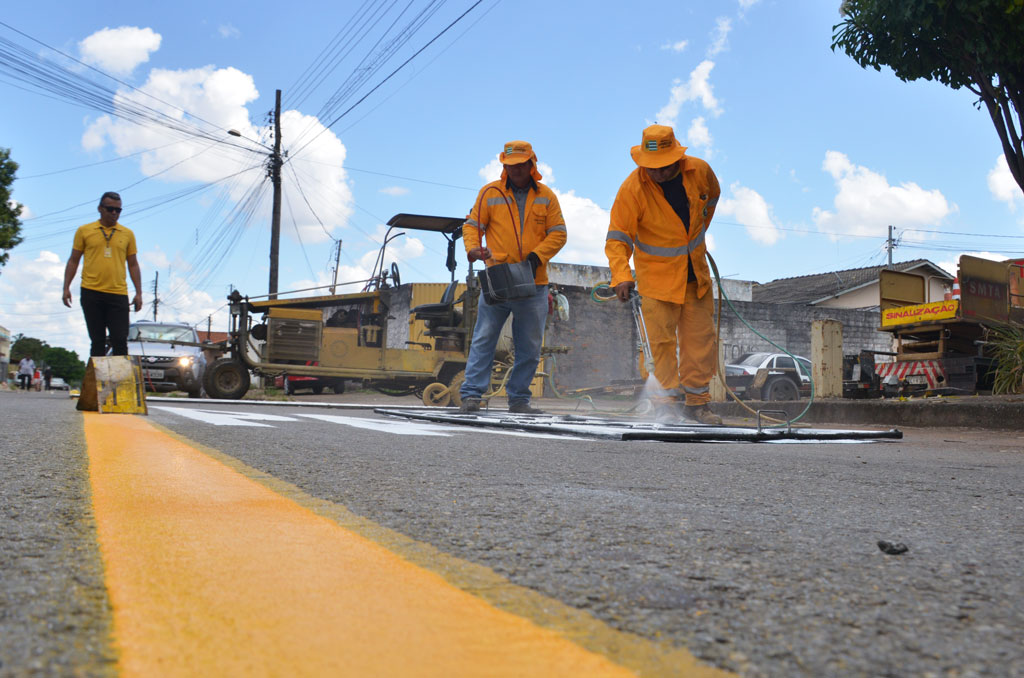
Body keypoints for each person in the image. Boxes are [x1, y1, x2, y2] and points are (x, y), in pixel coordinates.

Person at [605, 124, 723, 425]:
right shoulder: (632, 189)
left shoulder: (700, 171)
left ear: (677, 158)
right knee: (659, 346)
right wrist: (621, 275)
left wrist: (694, 238)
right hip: (656, 283)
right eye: (651, 167)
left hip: (695, 278)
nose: (656, 172)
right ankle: (664, 405)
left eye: (663, 166)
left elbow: (711, 200)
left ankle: (697, 405)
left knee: (700, 343)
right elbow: (618, 238)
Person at [459, 141, 567, 414]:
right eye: (511, 165)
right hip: (499, 278)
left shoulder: (547, 196)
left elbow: (559, 233)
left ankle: (519, 399)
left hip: (534, 281)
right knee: (484, 337)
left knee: (529, 345)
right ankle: (471, 396)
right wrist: (472, 248)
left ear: (532, 164)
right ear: (504, 166)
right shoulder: (490, 193)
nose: (517, 169)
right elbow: (472, 225)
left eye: (522, 164)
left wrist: (536, 257)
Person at [62, 192, 143, 357]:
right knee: (97, 341)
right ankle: (96, 382)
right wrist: (66, 288)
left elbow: (133, 264)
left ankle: (119, 382)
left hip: (117, 293)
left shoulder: (127, 234)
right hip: (91, 292)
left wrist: (139, 292)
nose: (114, 213)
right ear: (100, 209)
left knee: (120, 340)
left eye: (118, 210)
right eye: (110, 209)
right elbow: (73, 260)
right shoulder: (84, 231)